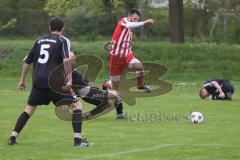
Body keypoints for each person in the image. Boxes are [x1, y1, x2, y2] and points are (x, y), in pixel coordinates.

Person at [8, 17, 88, 147]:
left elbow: (27, 61)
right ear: (63, 29)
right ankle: (78, 141)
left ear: (49, 28)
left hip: (38, 81)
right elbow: (66, 61)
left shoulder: (38, 41)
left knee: (28, 110)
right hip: (55, 81)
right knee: (77, 107)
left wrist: (22, 80)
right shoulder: (62, 40)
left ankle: (13, 137)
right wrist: (70, 79)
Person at [109, 8, 154, 118]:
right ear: (129, 17)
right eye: (134, 19)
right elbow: (129, 25)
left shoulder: (130, 29)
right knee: (116, 91)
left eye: (137, 19)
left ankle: (140, 85)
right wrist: (144, 23)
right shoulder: (124, 21)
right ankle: (119, 113)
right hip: (116, 59)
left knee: (139, 66)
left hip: (127, 56)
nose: (135, 21)